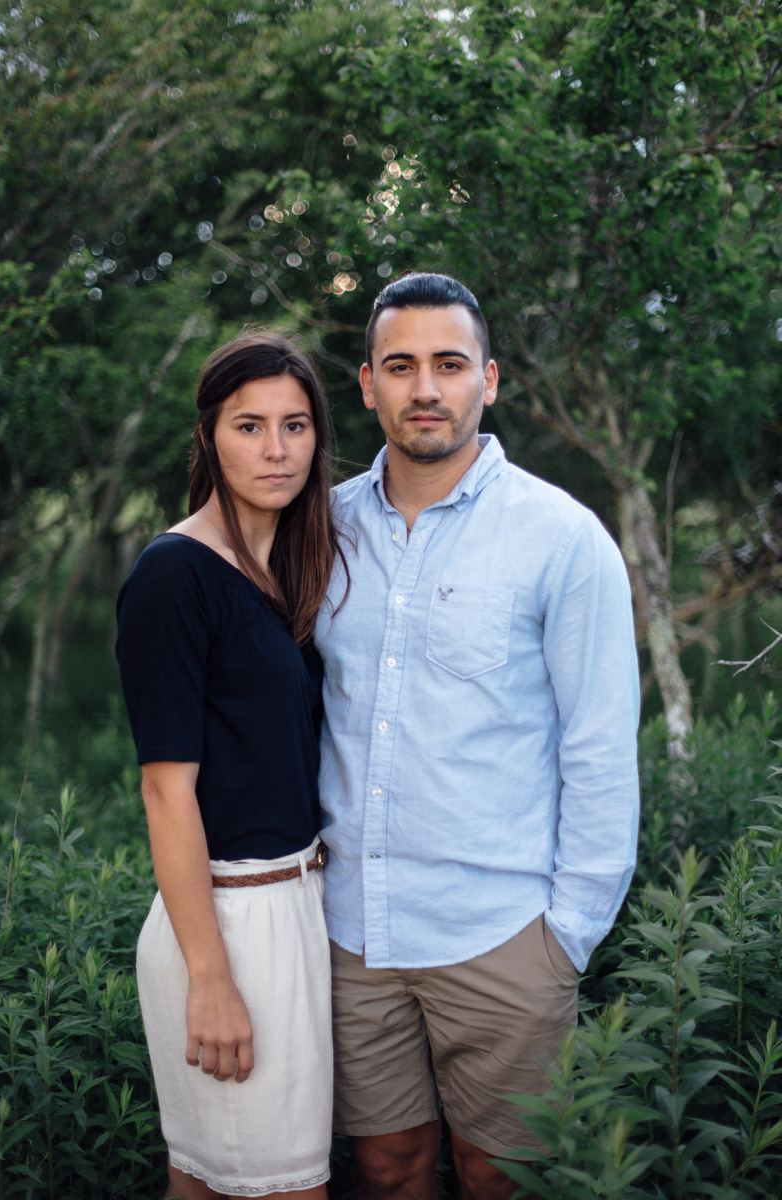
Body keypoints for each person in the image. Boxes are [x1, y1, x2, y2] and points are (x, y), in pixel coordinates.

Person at [313, 273, 640, 1200]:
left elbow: (600, 745)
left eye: (448, 365)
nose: (426, 388)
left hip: (502, 936)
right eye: (401, 366)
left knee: (504, 1175)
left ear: (487, 381)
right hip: (351, 934)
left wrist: (569, 933)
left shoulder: (561, 537)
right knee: (387, 1167)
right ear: (368, 383)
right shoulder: (322, 529)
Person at [116, 332, 346, 1200]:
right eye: (250, 426)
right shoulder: (174, 575)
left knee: (212, 1180)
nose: (277, 449)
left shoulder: (281, 566)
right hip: (226, 919)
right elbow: (164, 790)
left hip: (293, 901)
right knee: (283, 1187)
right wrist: (210, 979)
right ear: (209, 435)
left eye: (295, 425)